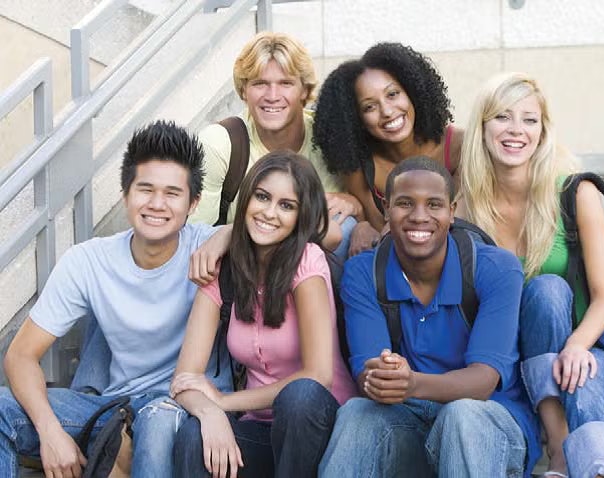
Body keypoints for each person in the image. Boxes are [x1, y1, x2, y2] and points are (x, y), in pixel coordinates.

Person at [0, 121, 234, 478]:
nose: (157, 204)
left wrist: (230, 234)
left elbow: (287, 226)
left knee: (157, 425)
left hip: (184, 408)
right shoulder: (88, 261)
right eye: (145, 189)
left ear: (193, 203)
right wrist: (51, 433)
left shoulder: (206, 246)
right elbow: (20, 355)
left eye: (173, 193)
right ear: (125, 194)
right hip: (115, 406)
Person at [319, 157, 540, 478]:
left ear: (452, 211)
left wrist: (411, 383)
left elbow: (482, 382)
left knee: (461, 416)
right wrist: (382, 377)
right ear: (386, 209)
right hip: (408, 422)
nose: (419, 216)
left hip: (489, 423)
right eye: (405, 203)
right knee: (357, 413)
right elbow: (366, 375)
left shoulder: (496, 269)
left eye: (434, 204)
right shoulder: (363, 272)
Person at [459, 72, 604, 478]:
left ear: (543, 130)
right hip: (510, 362)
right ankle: (559, 443)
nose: (516, 130)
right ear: (482, 127)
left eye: (529, 120)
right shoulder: (465, 205)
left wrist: (576, 347)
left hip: (586, 349)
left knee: (552, 299)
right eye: (503, 117)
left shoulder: (574, 192)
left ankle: (570, 456)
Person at [172, 151, 357, 478]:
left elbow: (317, 376)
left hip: (320, 425)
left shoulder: (307, 260)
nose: (270, 213)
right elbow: (185, 378)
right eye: (262, 197)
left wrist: (225, 403)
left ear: (301, 216)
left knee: (299, 396)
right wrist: (210, 413)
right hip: (260, 429)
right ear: (247, 200)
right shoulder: (222, 270)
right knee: (193, 437)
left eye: (287, 205)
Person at [189, 31, 362, 261]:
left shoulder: (329, 135)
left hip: (311, 269)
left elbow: (374, 206)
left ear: (305, 91)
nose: (272, 96)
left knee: (347, 227)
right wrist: (233, 232)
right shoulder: (220, 142)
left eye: (285, 83)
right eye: (260, 83)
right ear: (243, 91)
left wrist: (356, 206)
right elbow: (196, 237)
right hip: (239, 267)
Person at [313, 42, 463, 255]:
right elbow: (377, 229)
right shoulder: (361, 163)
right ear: (357, 119)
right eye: (369, 107)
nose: (387, 111)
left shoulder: (458, 146)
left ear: (412, 92)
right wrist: (362, 223)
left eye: (392, 94)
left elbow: (460, 223)